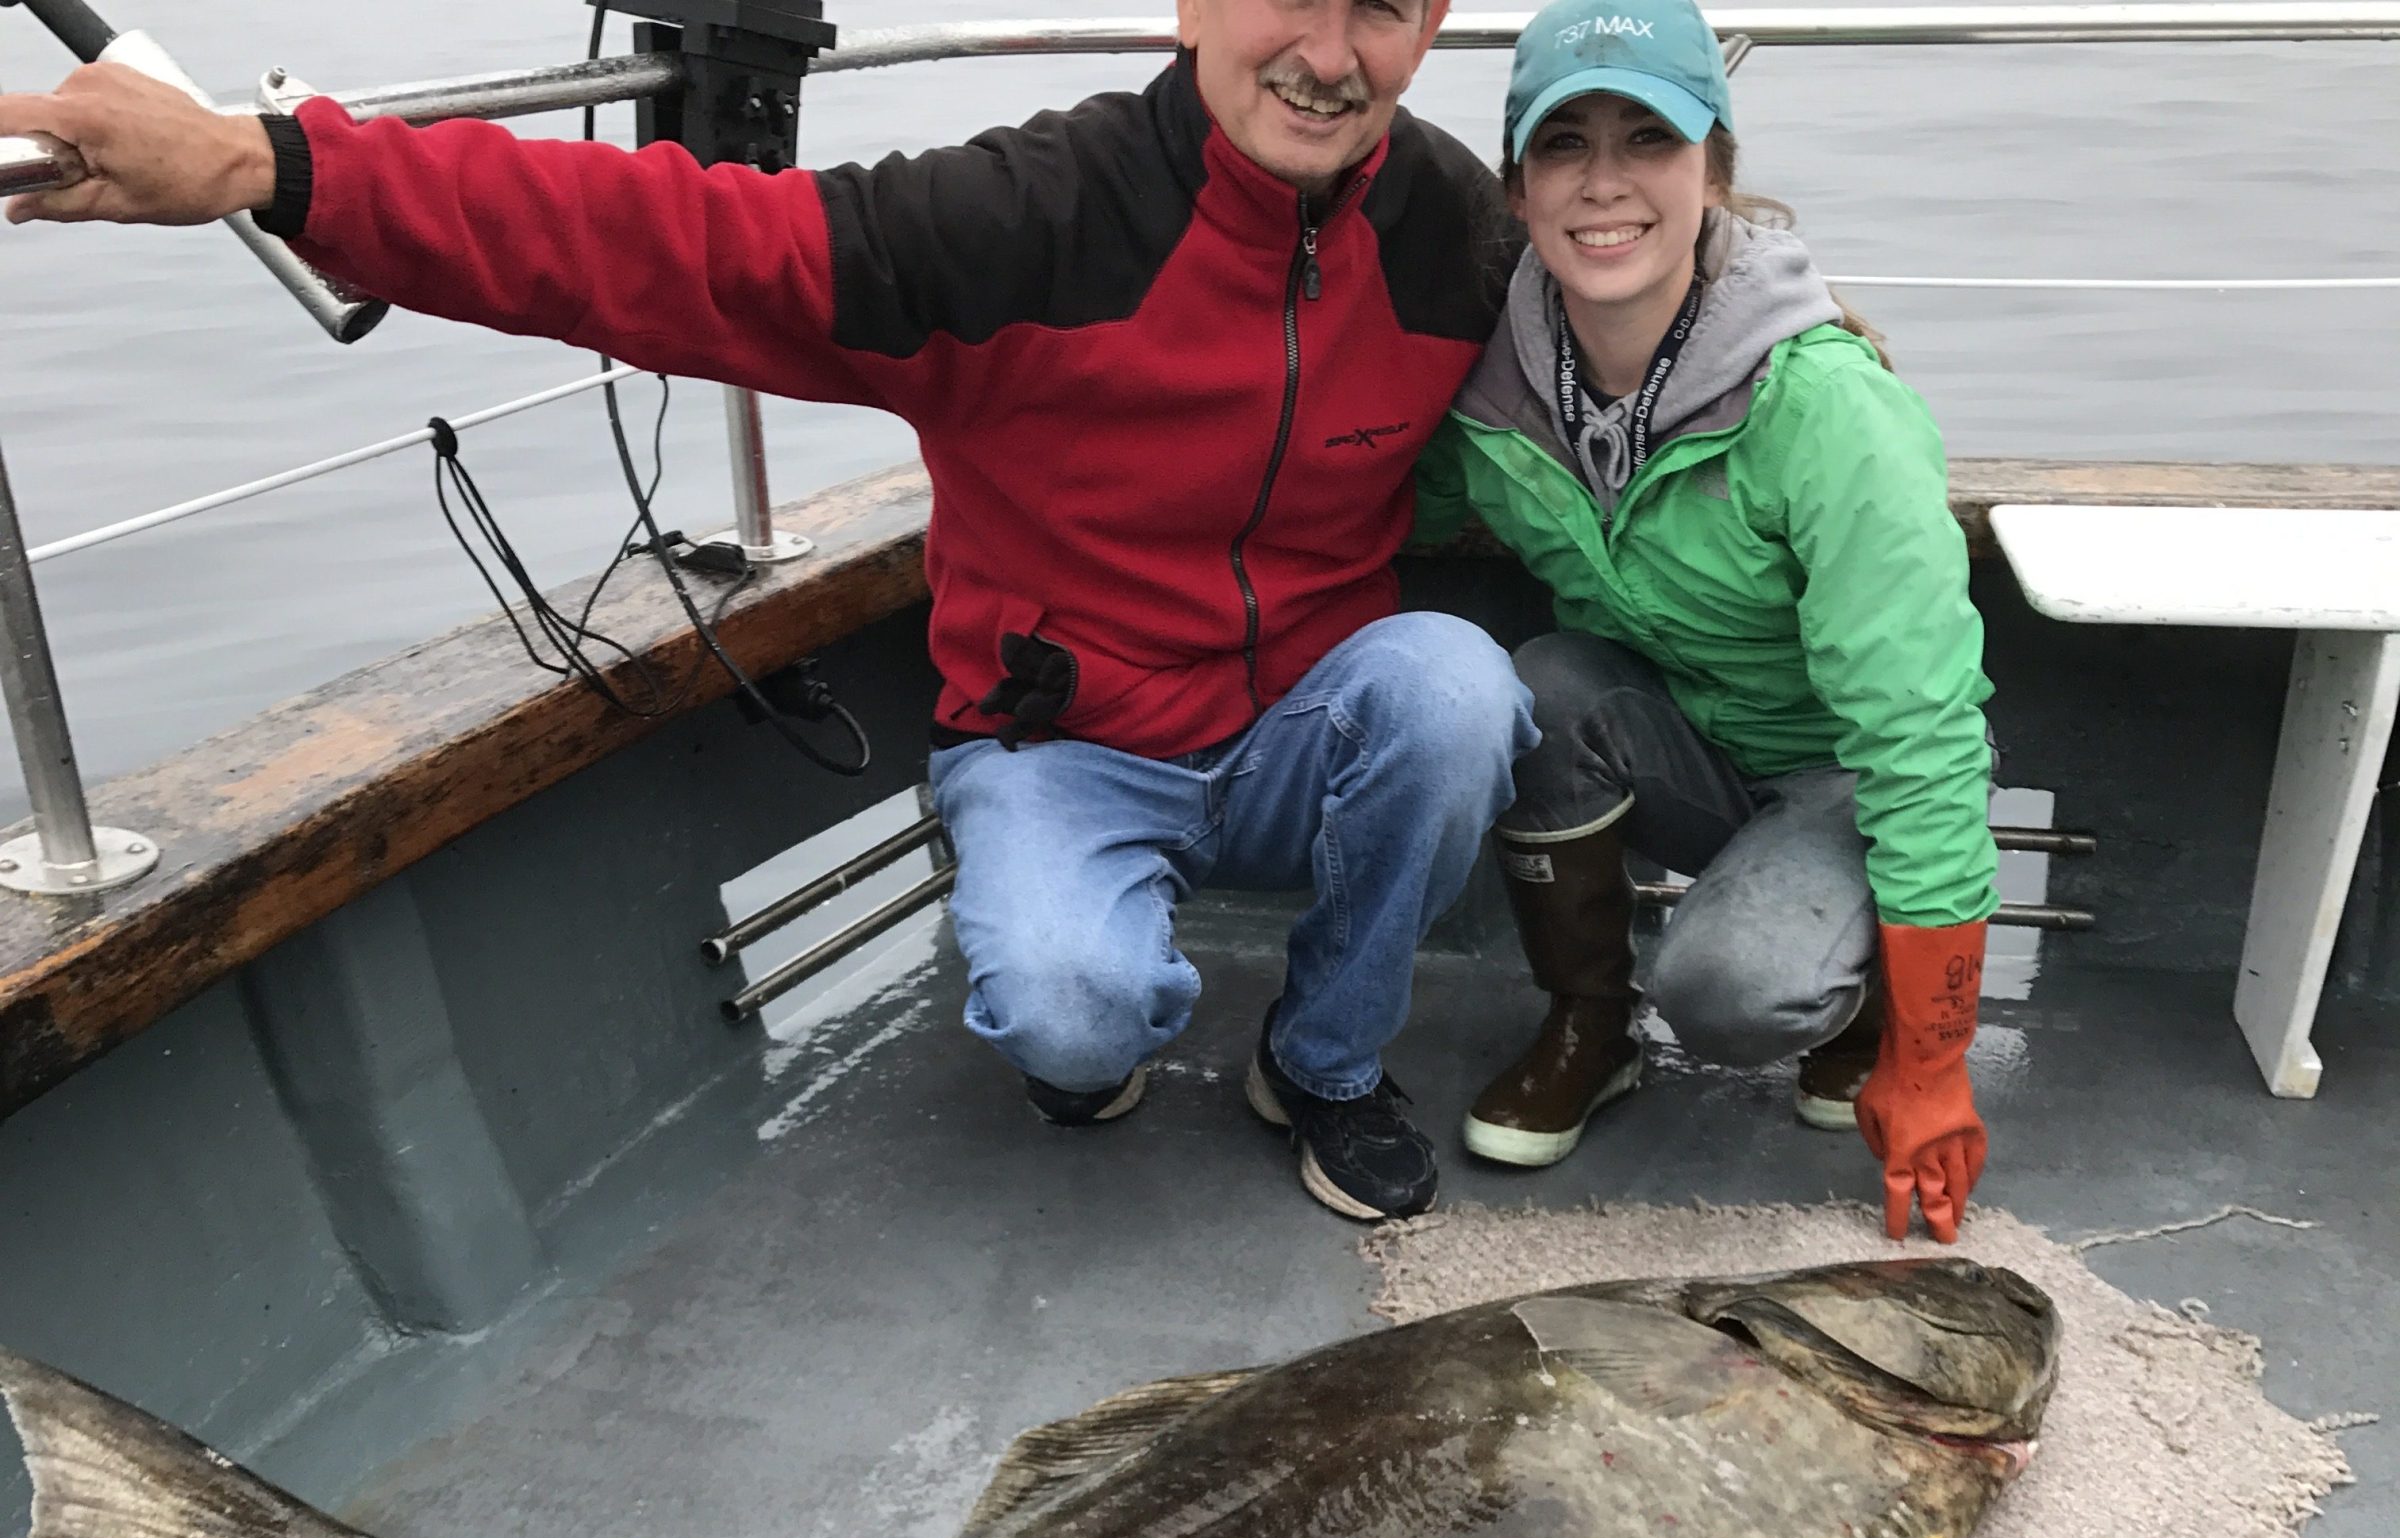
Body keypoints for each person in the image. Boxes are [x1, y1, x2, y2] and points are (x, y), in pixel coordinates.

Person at [0, 0, 1532, 1223]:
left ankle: (1323, 1063)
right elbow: (664, 241)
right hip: (1067, 745)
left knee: (1460, 689)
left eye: (1379, 9)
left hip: (1296, 723)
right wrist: (278, 164)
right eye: (1288, 0)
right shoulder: (1019, 220)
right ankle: (1094, 1025)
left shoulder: (1459, 235)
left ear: (1432, 22)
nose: (1329, 57)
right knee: (1072, 1015)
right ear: (1191, 6)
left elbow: (1645, 315)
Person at [1416, 0, 1998, 1242]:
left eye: (1651, 140)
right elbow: (1368, 507)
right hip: (1683, 741)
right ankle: (1590, 1023)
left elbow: (1923, 737)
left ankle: (1856, 1010)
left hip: (1843, 771)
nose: (1605, 183)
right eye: (1565, 145)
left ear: (1715, 172)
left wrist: (1938, 1062)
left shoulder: (1826, 406)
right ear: (1518, 188)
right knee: (1538, 681)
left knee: (1731, 995)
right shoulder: (1484, 390)